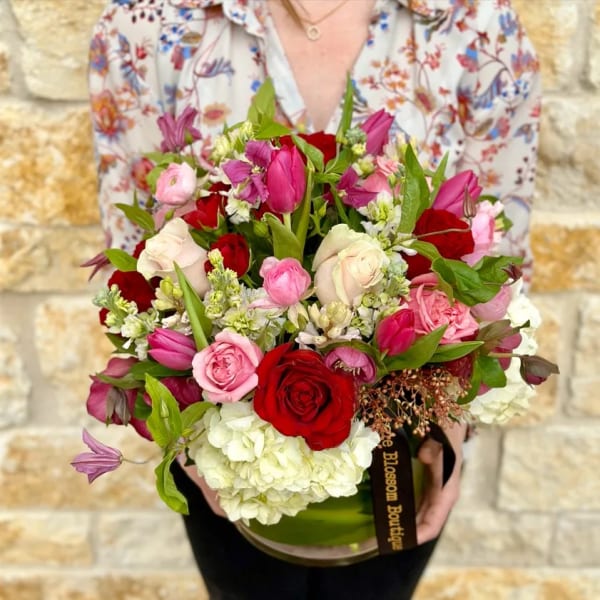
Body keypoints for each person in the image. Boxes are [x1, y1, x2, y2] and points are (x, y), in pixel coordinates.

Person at [88, 1, 541, 598]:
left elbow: (497, 258)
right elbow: (135, 261)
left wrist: (451, 427)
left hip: (402, 455)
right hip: (227, 462)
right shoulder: (142, 25)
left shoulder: (479, 28)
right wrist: (192, 443)